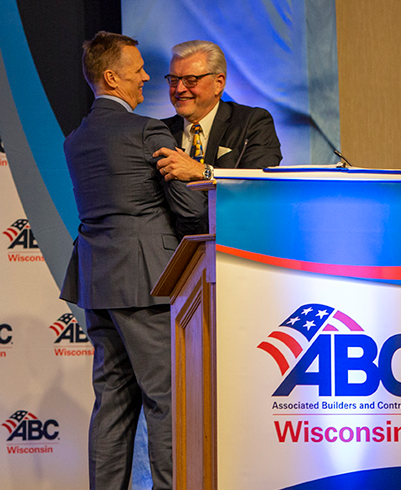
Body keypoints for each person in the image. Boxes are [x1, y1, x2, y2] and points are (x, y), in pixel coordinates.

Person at [60, 31, 204, 489]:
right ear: (110, 76)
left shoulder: (75, 139)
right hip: (146, 283)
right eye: (137, 68)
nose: (146, 77)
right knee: (166, 399)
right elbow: (189, 210)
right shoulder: (147, 130)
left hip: (96, 283)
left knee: (113, 402)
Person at [154, 40, 281, 187]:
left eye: (190, 80)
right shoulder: (159, 131)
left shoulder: (252, 123)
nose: (179, 89)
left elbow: (257, 187)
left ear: (218, 83)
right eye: (174, 80)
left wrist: (203, 172)